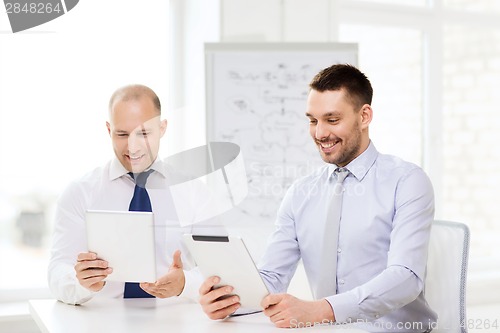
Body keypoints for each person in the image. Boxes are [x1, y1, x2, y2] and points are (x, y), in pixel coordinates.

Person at [198, 64, 438, 332]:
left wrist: (321, 310)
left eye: (332, 120)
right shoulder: (301, 193)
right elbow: (272, 278)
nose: (320, 133)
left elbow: (406, 277)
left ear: (364, 116)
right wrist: (229, 300)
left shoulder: (406, 181)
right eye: (313, 120)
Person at [48, 84, 201, 305]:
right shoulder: (80, 193)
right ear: (109, 130)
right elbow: (57, 270)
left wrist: (186, 283)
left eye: (144, 133)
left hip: (175, 322)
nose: (133, 146)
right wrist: (80, 282)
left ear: (162, 128)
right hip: (99, 323)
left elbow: (220, 271)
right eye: (122, 134)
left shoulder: (193, 191)